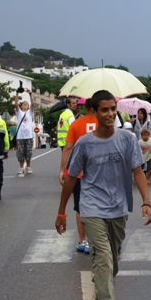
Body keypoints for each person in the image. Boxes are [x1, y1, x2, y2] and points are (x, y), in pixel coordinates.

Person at [56, 90, 151, 300]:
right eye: (104, 110)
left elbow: (138, 171)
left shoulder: (127, 139)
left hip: (119, 208)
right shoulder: (85, 143)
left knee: (113, 261)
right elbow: (70, 178)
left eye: (113, 109)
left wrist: (146, 202)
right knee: (103, 257)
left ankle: (101, 287)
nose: (110, 114)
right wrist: (62, 212)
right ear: (94, 112)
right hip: (91, 206)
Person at [60, 98, 99, 254]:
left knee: (80, 207)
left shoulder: (76, 124)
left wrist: (63, 170)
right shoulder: (104, 124)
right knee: (99, 205)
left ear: (86, 107)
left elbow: (68, 148)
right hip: (99, 172)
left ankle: (82, 240)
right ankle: (97, 240)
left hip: (79, 172)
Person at [14, 88, 35, 176]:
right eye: (23, 104)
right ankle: (21, 168)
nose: (25, 105)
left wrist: (30, 94)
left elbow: (33, 103)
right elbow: (15, 104)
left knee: (28, 152)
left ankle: (29, 167)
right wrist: (17, 93)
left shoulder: (30, 113)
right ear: (21, 106)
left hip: (29, 136)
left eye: (26, 104)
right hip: (20, 136)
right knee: (21, 152)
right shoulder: (19, 113)